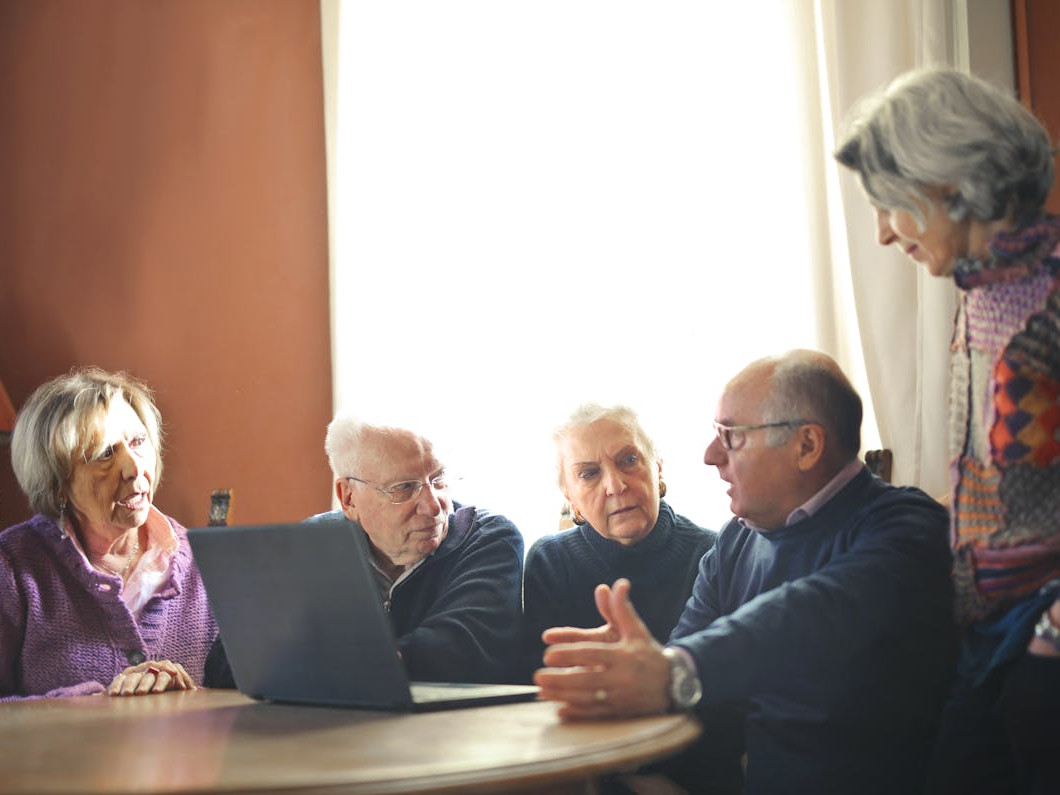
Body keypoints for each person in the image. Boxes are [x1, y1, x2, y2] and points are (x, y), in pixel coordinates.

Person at [535, 350, 955, 795]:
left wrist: (673, 669)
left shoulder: (910, 526)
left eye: (731, 437)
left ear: (807, 446)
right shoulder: (735, 542)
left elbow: (813, 612)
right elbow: (686, 684)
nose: (710, 455)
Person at [835, 67, 1060, 793]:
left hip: (1044, 643)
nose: (880, 232)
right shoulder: (979, 296)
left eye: (888, 204)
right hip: (990, 629)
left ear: (949, 184)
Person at [0, 368, 218, 700]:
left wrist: (188, 695)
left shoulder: (207, 565)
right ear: (57, 483)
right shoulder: (12, 567)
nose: (134, 468)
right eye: (105, 454)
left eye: (138, 442)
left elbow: (246, 702)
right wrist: (97, 706)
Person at [310, 411, 524, 684]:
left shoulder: (487, 538)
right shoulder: (313, 545)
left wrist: (329, 666)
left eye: (439, 479)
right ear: (349, 498)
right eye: (405, 488)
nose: (434, 506)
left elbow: (462, 651)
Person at [519, 403, 715, 682]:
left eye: (629, 460)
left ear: (657, 469)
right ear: (570, 498)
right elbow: (538, 683)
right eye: (589, 473)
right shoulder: (550, 561)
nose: (615, 486)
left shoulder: (712, 553)